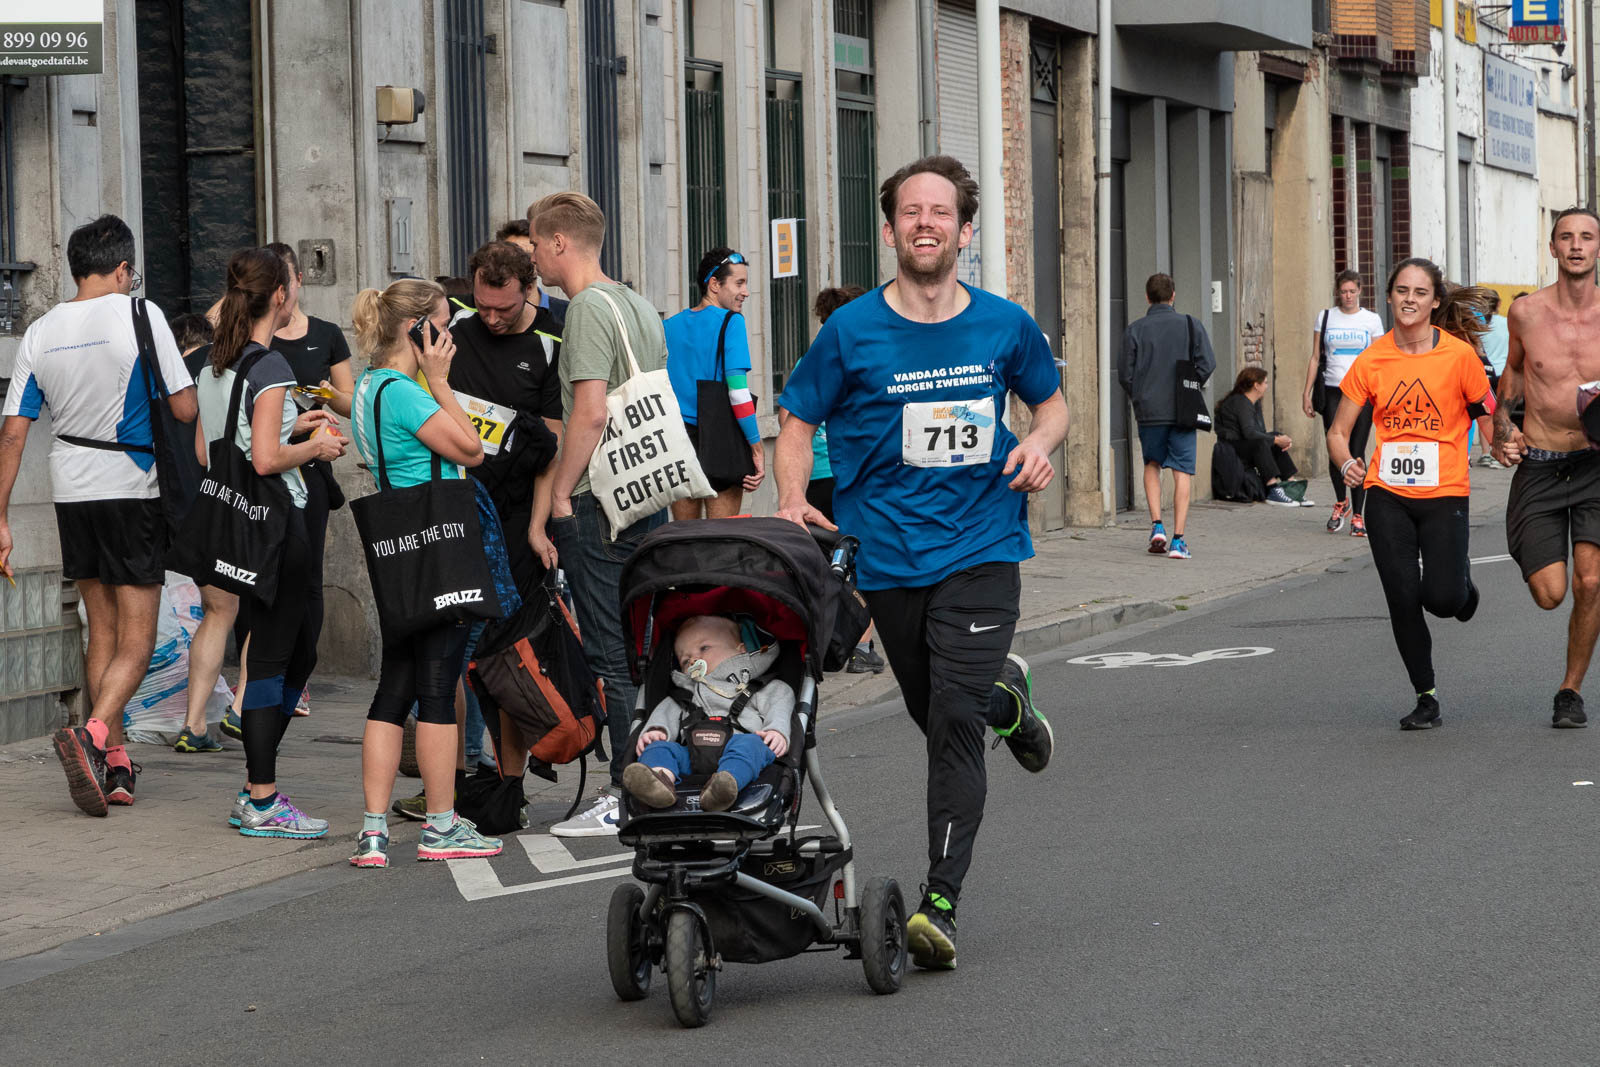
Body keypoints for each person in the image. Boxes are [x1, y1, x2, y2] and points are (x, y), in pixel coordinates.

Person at [774, 155, 1065, 971]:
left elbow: (1052, 403)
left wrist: (1039, 444)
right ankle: (1007, 704)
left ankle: (941, 901)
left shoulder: (1005, 324)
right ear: (892, 227)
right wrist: (793, 497)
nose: (926, 223)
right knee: (935, 711)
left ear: (965, 230)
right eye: (912, 212)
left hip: (981, 545)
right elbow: (796, 419)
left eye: (941, 212)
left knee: (949, 729)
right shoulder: (851, 330)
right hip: (887, 557)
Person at [0, 215, 197, 815]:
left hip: (70, 487)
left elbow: (13, 433)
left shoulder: (40, 330)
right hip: (131, 486)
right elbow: (186, 407)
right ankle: (86, 736)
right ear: (121, 269)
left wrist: (1, 518)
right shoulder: (141, 315)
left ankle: (112, 762)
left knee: (101, 627)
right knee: (137, 639)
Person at [526, 191, 672, 838]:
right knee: (643, 646)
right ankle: (655, 770)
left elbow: (588, 410)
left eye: (534, 244)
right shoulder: (637, 301)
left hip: (601, 499)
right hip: (648, 494)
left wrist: (560, 493)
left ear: (559, 242)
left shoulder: (585, 309)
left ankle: (625, 788)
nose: (532, 257)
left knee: (611, 652)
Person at [347, 278, 504, 867]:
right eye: (443, 323)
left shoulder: (366, 387)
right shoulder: (409, 392)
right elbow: (472, 450)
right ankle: (441, 824)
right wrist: (439, 382)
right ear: (418, 331)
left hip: (398, 548)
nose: (450, 334)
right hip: (438, 545)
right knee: (438, 687)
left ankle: (373, 830)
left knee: (394, 687)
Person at [199, 248, 347, 837]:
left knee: (295, 652)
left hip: (239, 526)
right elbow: (263, 458)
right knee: (275, 658)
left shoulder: (216, 361)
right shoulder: (272, 368)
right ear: (281, 296)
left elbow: (221, 445)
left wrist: (293, 425)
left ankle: (257, 786)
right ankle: (261, 798)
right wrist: (314, 447)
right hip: (279, 525)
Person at [1327, 258, 1493, 731]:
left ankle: (1461, 592)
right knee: (1402, 596)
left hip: (1445, 492)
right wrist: (1347, 462)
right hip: (1387, 494)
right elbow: (1338, 432)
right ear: (1390, 297)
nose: (1409, 299)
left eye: (1420, 292)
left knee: (1441, 598)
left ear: (1435, 301)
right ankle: (1426, 697)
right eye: (1401, 290)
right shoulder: (1373, 358)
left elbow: (1487, 416)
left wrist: (1501, 443)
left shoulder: (1459, 357)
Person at [1494, 207, 1600, 729]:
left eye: (1587, 236)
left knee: (1590, 581)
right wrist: (1501, 430)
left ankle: (1570, 691)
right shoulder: (1526, 314)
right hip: (1540, 464)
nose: (1576, 245)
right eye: (1566, 237)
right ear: (1552, 248)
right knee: (1550, 593)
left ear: (1599, 247)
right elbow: (1512, 378)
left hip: (1596, 466)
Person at [622, 614, 793, 812]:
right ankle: (659, 780)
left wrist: (777, 731)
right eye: (685, 660)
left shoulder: (760, 687)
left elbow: (780, 705)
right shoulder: (685, 694)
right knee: (660, 748)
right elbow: (664, 713)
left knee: (752, 744)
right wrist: (656, 730)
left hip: (741, 745)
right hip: (692, 754)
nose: (693, 659)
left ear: (741, 650)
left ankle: (726, 784)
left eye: (704, 648)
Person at [797, 285, 884, 674]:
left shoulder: (809, 360)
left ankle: (825, 640)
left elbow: (791, 421)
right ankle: (861, 647)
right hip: (842, 475)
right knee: (854, 560)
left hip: (816, 478)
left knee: (823, 564)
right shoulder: (856, 358)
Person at [1118, 273, 1216, 560]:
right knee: (1182, 470)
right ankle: (1178, 540)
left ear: (1147, 297)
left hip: (1149, 410)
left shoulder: (1135, 330)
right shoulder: (1190, 325)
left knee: (1152, 463)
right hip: (1182, 409)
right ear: (1173, 295)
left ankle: (1156, 524)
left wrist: (1140, 393)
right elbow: (1208, 363)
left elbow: (1125, 373)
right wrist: (1189, 384)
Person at [664, 247, 765, 519]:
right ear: (714, 284)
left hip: (677, 440)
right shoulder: (732, 322)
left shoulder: (669, 326)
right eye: (739, 283)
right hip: (721, 439)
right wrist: (756, 447)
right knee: (723, 539)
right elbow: (738, 393)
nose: (745, 292)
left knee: (686, 539)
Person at [1303, 270, 1384, 535]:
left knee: (1357, 450)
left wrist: (1381, 393)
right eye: (1343, 291)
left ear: (1360, 291)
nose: (1347, 296)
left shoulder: (1371, 320)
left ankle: (1359, 514)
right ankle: (1341, 502)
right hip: (1333, 389)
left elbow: (1378, 360)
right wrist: (1307, 392)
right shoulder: (1325, 317)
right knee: (1335, 446)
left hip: (1362, 392)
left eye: (1352, 291)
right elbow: (1316, 357)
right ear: (1337, 292)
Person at [1215, 367, 1300, 506]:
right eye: (1265, 383)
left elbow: (1261, 431)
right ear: (1256, 385)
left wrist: (1280, 440)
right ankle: (1272, 489)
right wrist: (1275, 440)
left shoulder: (1255, 403)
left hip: (1245, 442)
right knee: (1261, 443)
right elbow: (1249, 433)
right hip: (1232, 447)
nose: (1267, 386)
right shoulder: (1240, 402)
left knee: (1274, 437)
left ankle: (1291, 486)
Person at [495, 218, 571, 324]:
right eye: (512, 256)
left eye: (528, 255)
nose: (521, 262)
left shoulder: (567, 313)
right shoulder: (491, 314)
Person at [1475, 293, 1510, 467]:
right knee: (1498, 412)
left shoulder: (1478, 324)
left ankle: (1485, 453)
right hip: (1503, 372)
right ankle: (1501, 448)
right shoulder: (1506, 323)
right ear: (1498, 304)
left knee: (1483, 411)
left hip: (1484, 372)